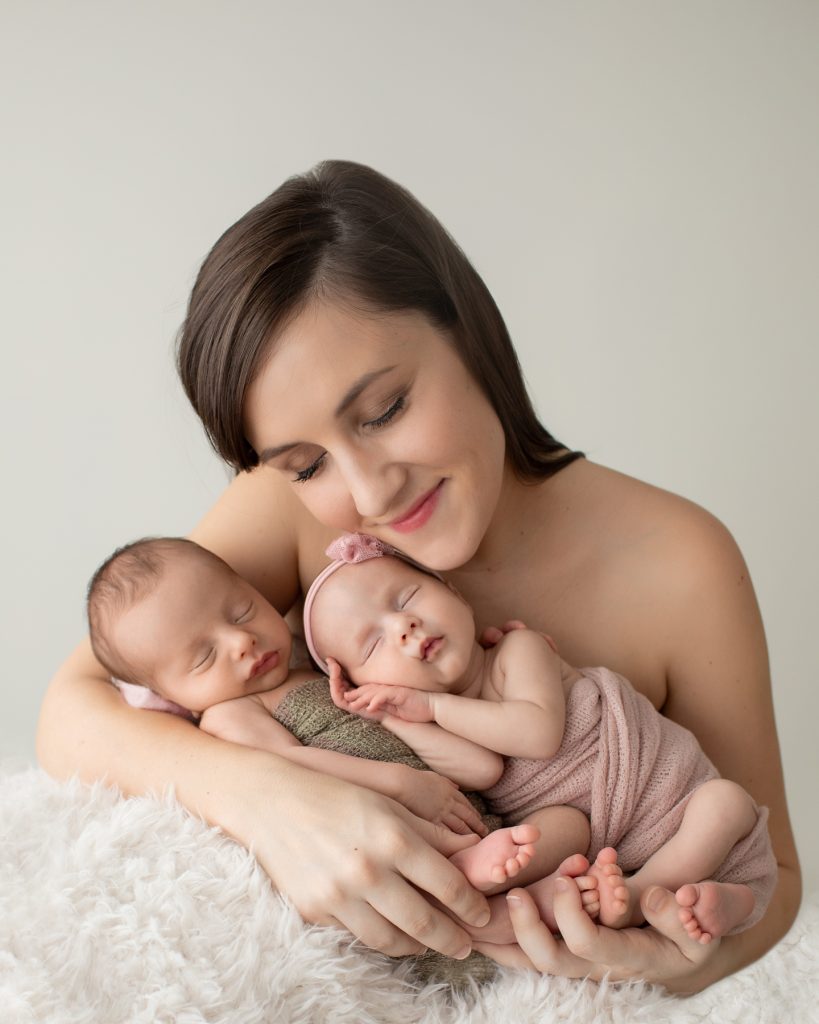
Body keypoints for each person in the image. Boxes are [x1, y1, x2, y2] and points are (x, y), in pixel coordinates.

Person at [37, 159, 800, 991]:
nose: (367, 490)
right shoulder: (293, 515)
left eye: (385, 411)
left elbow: (775, 877)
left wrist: (657, 961)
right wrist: (268, 799)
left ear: (467, 333)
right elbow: (74, 708)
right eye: (304, 463)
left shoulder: (679, 563)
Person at [302, 531, 777, 946]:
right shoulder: (428, 718)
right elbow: (482, 770)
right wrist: (396, 718)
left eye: (406, 599)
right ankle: (478, 878)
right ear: (367, 686)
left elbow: (537, 733)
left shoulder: (516, 650)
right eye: (373, 644)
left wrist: (433, 707)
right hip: (597, 835)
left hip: (677, 804)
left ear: (454, 593)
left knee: (726, 802)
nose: (402, 626)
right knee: (550, 834)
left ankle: (652, 895)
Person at [86, 533, 590, 895]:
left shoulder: (326, 666)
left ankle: (520, 896)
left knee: (572, 830)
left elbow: (483, 766)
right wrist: (396, 782)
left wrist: (397, 713)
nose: (241, 641)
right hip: (385, 824)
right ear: (167, 694)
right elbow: (290, 764)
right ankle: (467, 876)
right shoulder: (229, 716)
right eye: (203, 657)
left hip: (469, 806)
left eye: (241, 611)